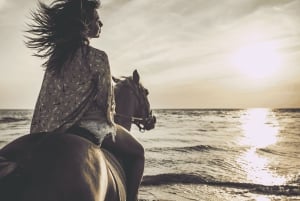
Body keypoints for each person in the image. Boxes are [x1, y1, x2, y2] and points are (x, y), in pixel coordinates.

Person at [26, 0, 144, 200]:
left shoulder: (56, 59)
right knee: (138, 153)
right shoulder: (98, 57)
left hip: (50, 129)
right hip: (89, 128)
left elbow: (46, 98)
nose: (101, 24)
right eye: (97, 20)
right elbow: (105, 104)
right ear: (86, 24)